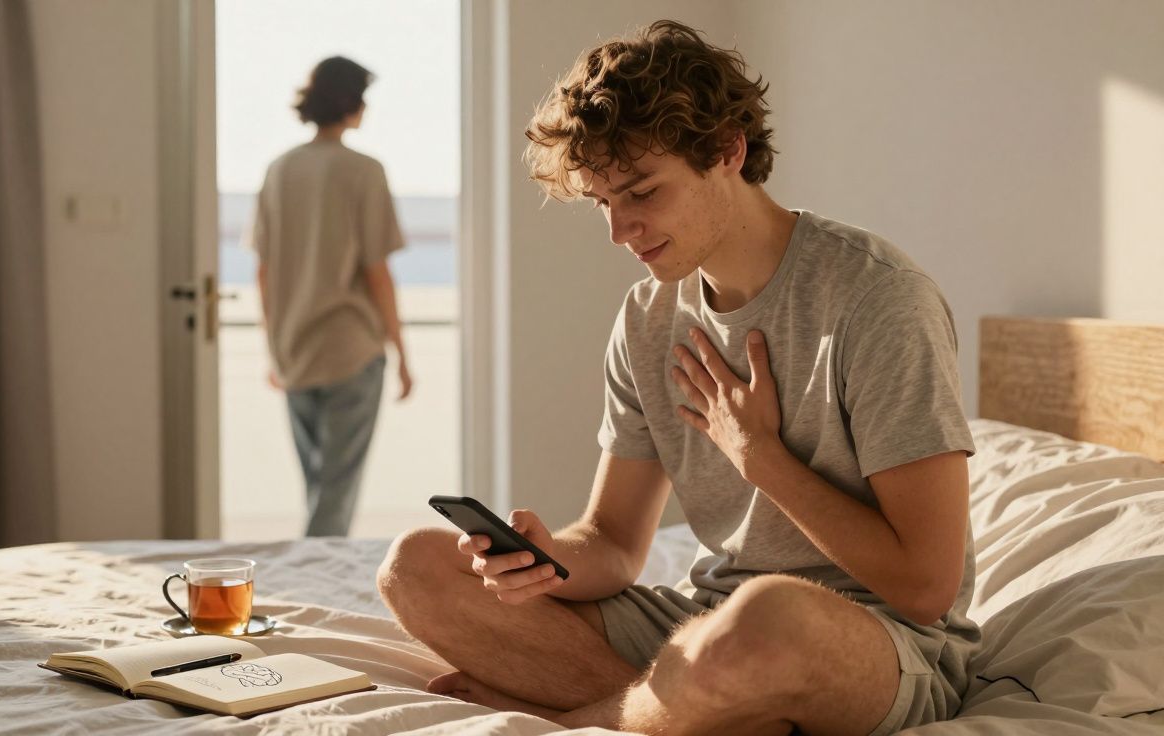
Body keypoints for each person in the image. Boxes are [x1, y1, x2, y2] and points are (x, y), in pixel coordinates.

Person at [377, 20, 978, 736]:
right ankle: (700, 715)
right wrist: (548, 559)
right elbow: (614, 543)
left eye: (641, 192)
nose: (618, 230)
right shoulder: (648, 317)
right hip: (707, 627)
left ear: (728, 150)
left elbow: (925, 587)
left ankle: (579, 720)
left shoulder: (878, 299)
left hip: (874, 642)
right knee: (414, 567)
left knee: (765, 618)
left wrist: (761, 458)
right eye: (604, 202)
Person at [251, 55, 414, 538]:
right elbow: (377, 270)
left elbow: (263, 270)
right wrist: (402, 352)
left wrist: (274, 348)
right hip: (351, 349)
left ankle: (309, 575)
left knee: (318, 487)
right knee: (336, 493)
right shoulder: (364, 170)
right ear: (352, 102)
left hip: (295, 350)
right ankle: (312, 586)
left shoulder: (279, 170)